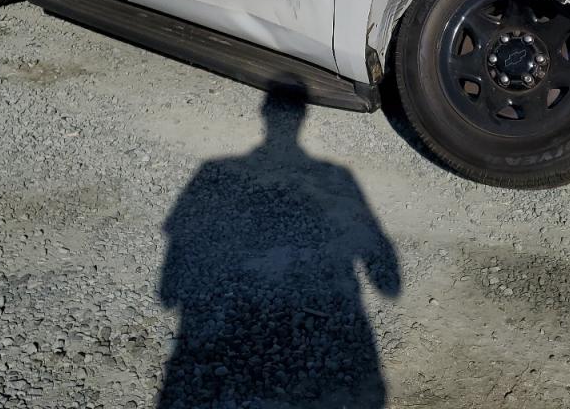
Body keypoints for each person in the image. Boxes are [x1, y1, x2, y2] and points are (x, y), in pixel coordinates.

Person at [157, 94, 400, 408]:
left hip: (224, 338)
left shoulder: (213, 170)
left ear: (263, 116)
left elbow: (170, 284)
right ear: (302, 121)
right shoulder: (337, 176)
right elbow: (388, 281)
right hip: (324, 330)